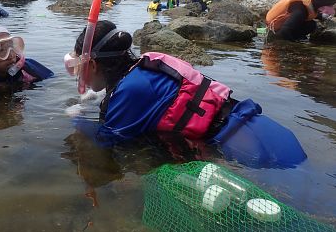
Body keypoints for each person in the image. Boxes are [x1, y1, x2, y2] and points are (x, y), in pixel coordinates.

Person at [64, 19, 307, 169]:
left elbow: (106, 141)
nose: (78, 75)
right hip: (255, 126)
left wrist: (75, 119)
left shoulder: (130, 89)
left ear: (93, 65)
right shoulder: (145, 65)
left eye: (77, 68)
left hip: (252, 148)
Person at [0, 23, 53, 94]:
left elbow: (54, 85)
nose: (11, 55)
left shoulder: (30, 69)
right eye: (1, 50)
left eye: (12, 46)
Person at [265, 0, 336, 41]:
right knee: (310, 25)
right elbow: (285, 31)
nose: (332, 7)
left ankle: (299, 37)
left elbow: (311, 10)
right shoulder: (300, 10)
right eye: (330, 5)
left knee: (311, 24)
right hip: (274, 26)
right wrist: (295, 47)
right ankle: (262, 31)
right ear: (322, 5)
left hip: (288, 19)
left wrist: (321, 16)